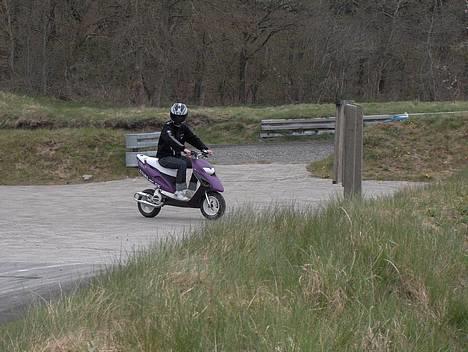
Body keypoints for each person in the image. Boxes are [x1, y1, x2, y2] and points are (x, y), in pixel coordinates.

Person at [156, 102, 213, 201]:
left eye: (180, 117)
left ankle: (191, 191)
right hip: (165, 157)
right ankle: (179, 192)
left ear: (184, 117)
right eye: (175, 116)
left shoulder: (183, 128)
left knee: (197, 163)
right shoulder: (167, 127)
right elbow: (171, 139)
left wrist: (204, 149)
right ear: (171, 115)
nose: (177, 118)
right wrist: (183, 149)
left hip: (176, 156)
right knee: (182, 164)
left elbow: (193, 139)